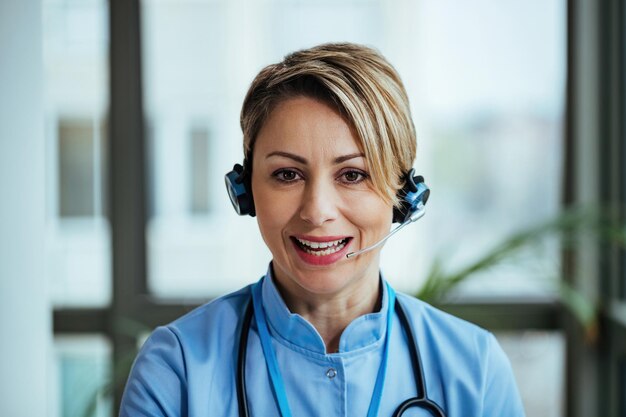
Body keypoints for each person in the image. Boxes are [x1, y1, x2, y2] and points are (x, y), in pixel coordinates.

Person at [119, 42, 525, 417]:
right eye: (288, 173)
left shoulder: (475, 367)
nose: (316, 211)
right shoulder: (177, 368)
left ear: (403, 196)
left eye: (352, 175)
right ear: (245, 192)